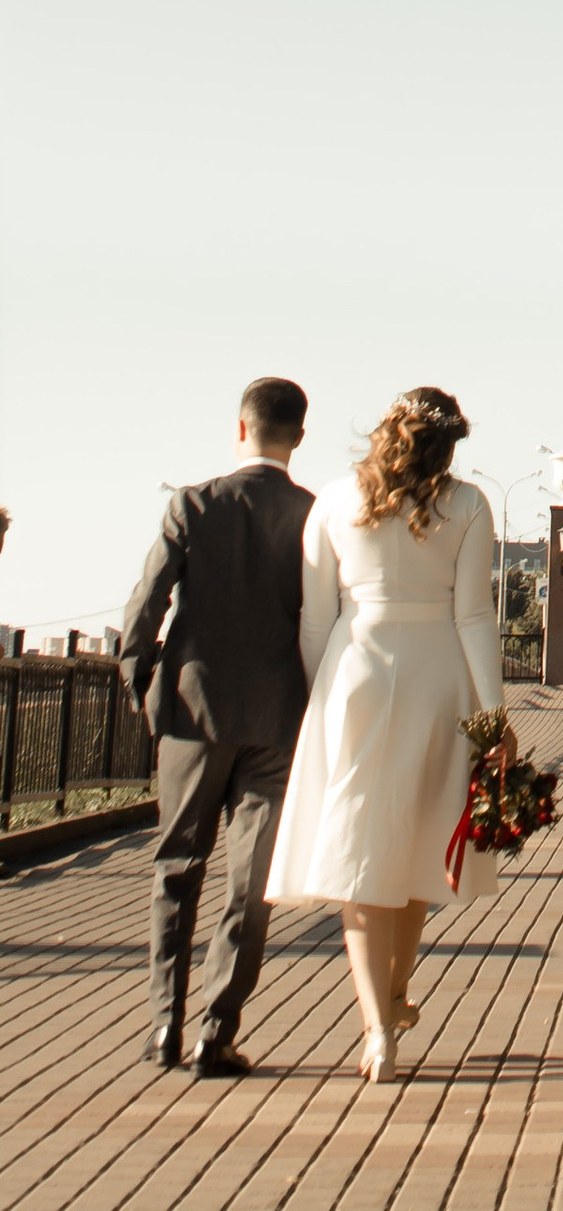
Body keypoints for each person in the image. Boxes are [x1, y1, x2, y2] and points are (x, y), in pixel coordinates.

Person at [266, 384, 502, 1082]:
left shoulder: (334, 501)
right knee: (421, 843)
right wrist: (494, 716)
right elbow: (474, 617)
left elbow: (315, 619)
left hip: (355, 671)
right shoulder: (469, 505)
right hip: (438, 675)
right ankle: (397, 995)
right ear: (449, 444)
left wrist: (322, 695)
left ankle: (378, 1030)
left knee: (361, 853)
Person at [116, 374, 314, 1079]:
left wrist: (142, 681)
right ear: (299, 436)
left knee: (177, 865)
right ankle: (216, 1034)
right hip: (277, 717)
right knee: (250, 882)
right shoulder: (313, 516)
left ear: (239, 428)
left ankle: (163, 1026)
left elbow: (146, 604)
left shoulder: (192, 504)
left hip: (192, 713)